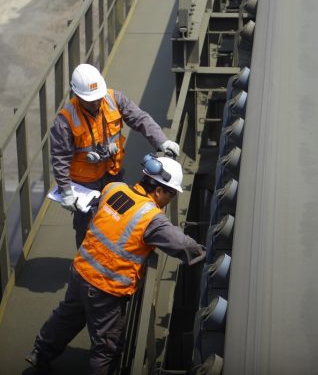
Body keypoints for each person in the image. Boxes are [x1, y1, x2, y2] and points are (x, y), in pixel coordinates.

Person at [25, 156, 206, 373]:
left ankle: (40, 352)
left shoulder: (114, 189)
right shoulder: (152, 218)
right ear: (158, 190)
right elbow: (182, 244)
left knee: (67, 316)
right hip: (106, 289)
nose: (171, 198)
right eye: (172, 193)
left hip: (81, 271)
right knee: (106, 348)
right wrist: (205, 254)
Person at [51, 63, 180, 247]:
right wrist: (65, 191)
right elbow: (59, 160)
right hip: (85, 185)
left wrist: (162, 141)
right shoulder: (65, 121)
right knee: (86, 226)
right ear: (77, 95)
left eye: (98, 98)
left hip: (113, 174)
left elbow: (140, 119)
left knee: (117, 218)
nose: (96, 103)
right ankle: (84, 263)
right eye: (91, 100)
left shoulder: (114, 99)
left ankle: (111, 256)